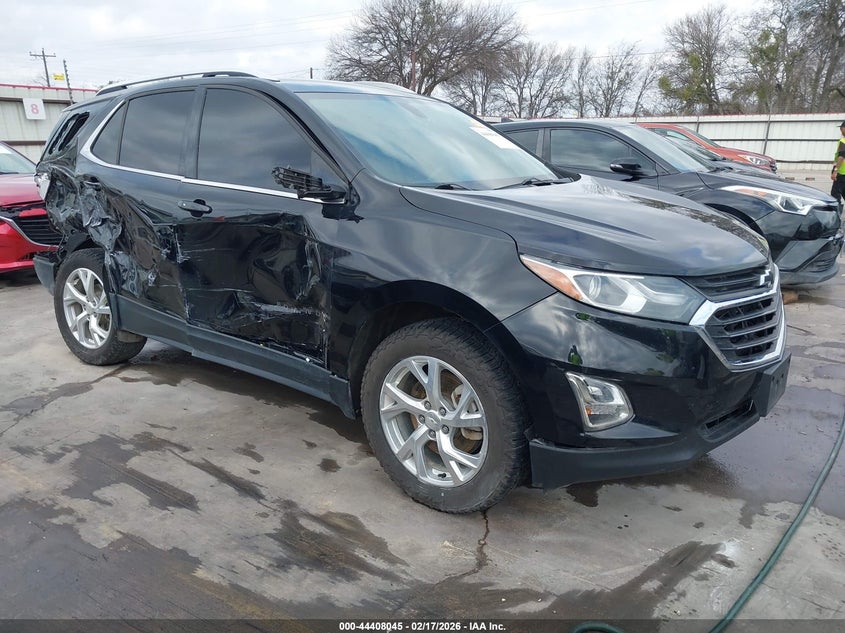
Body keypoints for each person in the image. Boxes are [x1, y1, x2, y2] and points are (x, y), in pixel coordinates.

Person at [832, 121, 845, 213]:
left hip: (842, 172)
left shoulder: (843, 141)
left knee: (835, 194)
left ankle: (836, 215)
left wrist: (835, 171)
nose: (841, 130)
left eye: (841, 128)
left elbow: (841, 157)